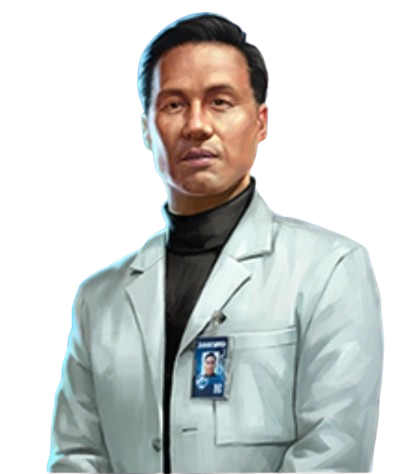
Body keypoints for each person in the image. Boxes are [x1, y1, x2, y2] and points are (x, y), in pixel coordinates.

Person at [47, 11, 384, 474]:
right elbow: (77, 455)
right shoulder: (98, 299)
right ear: (146, 128)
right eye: (174, 104)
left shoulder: (330, 270)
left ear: (261, 122)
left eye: (220, 102)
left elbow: (334, 455)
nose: (196, 125)